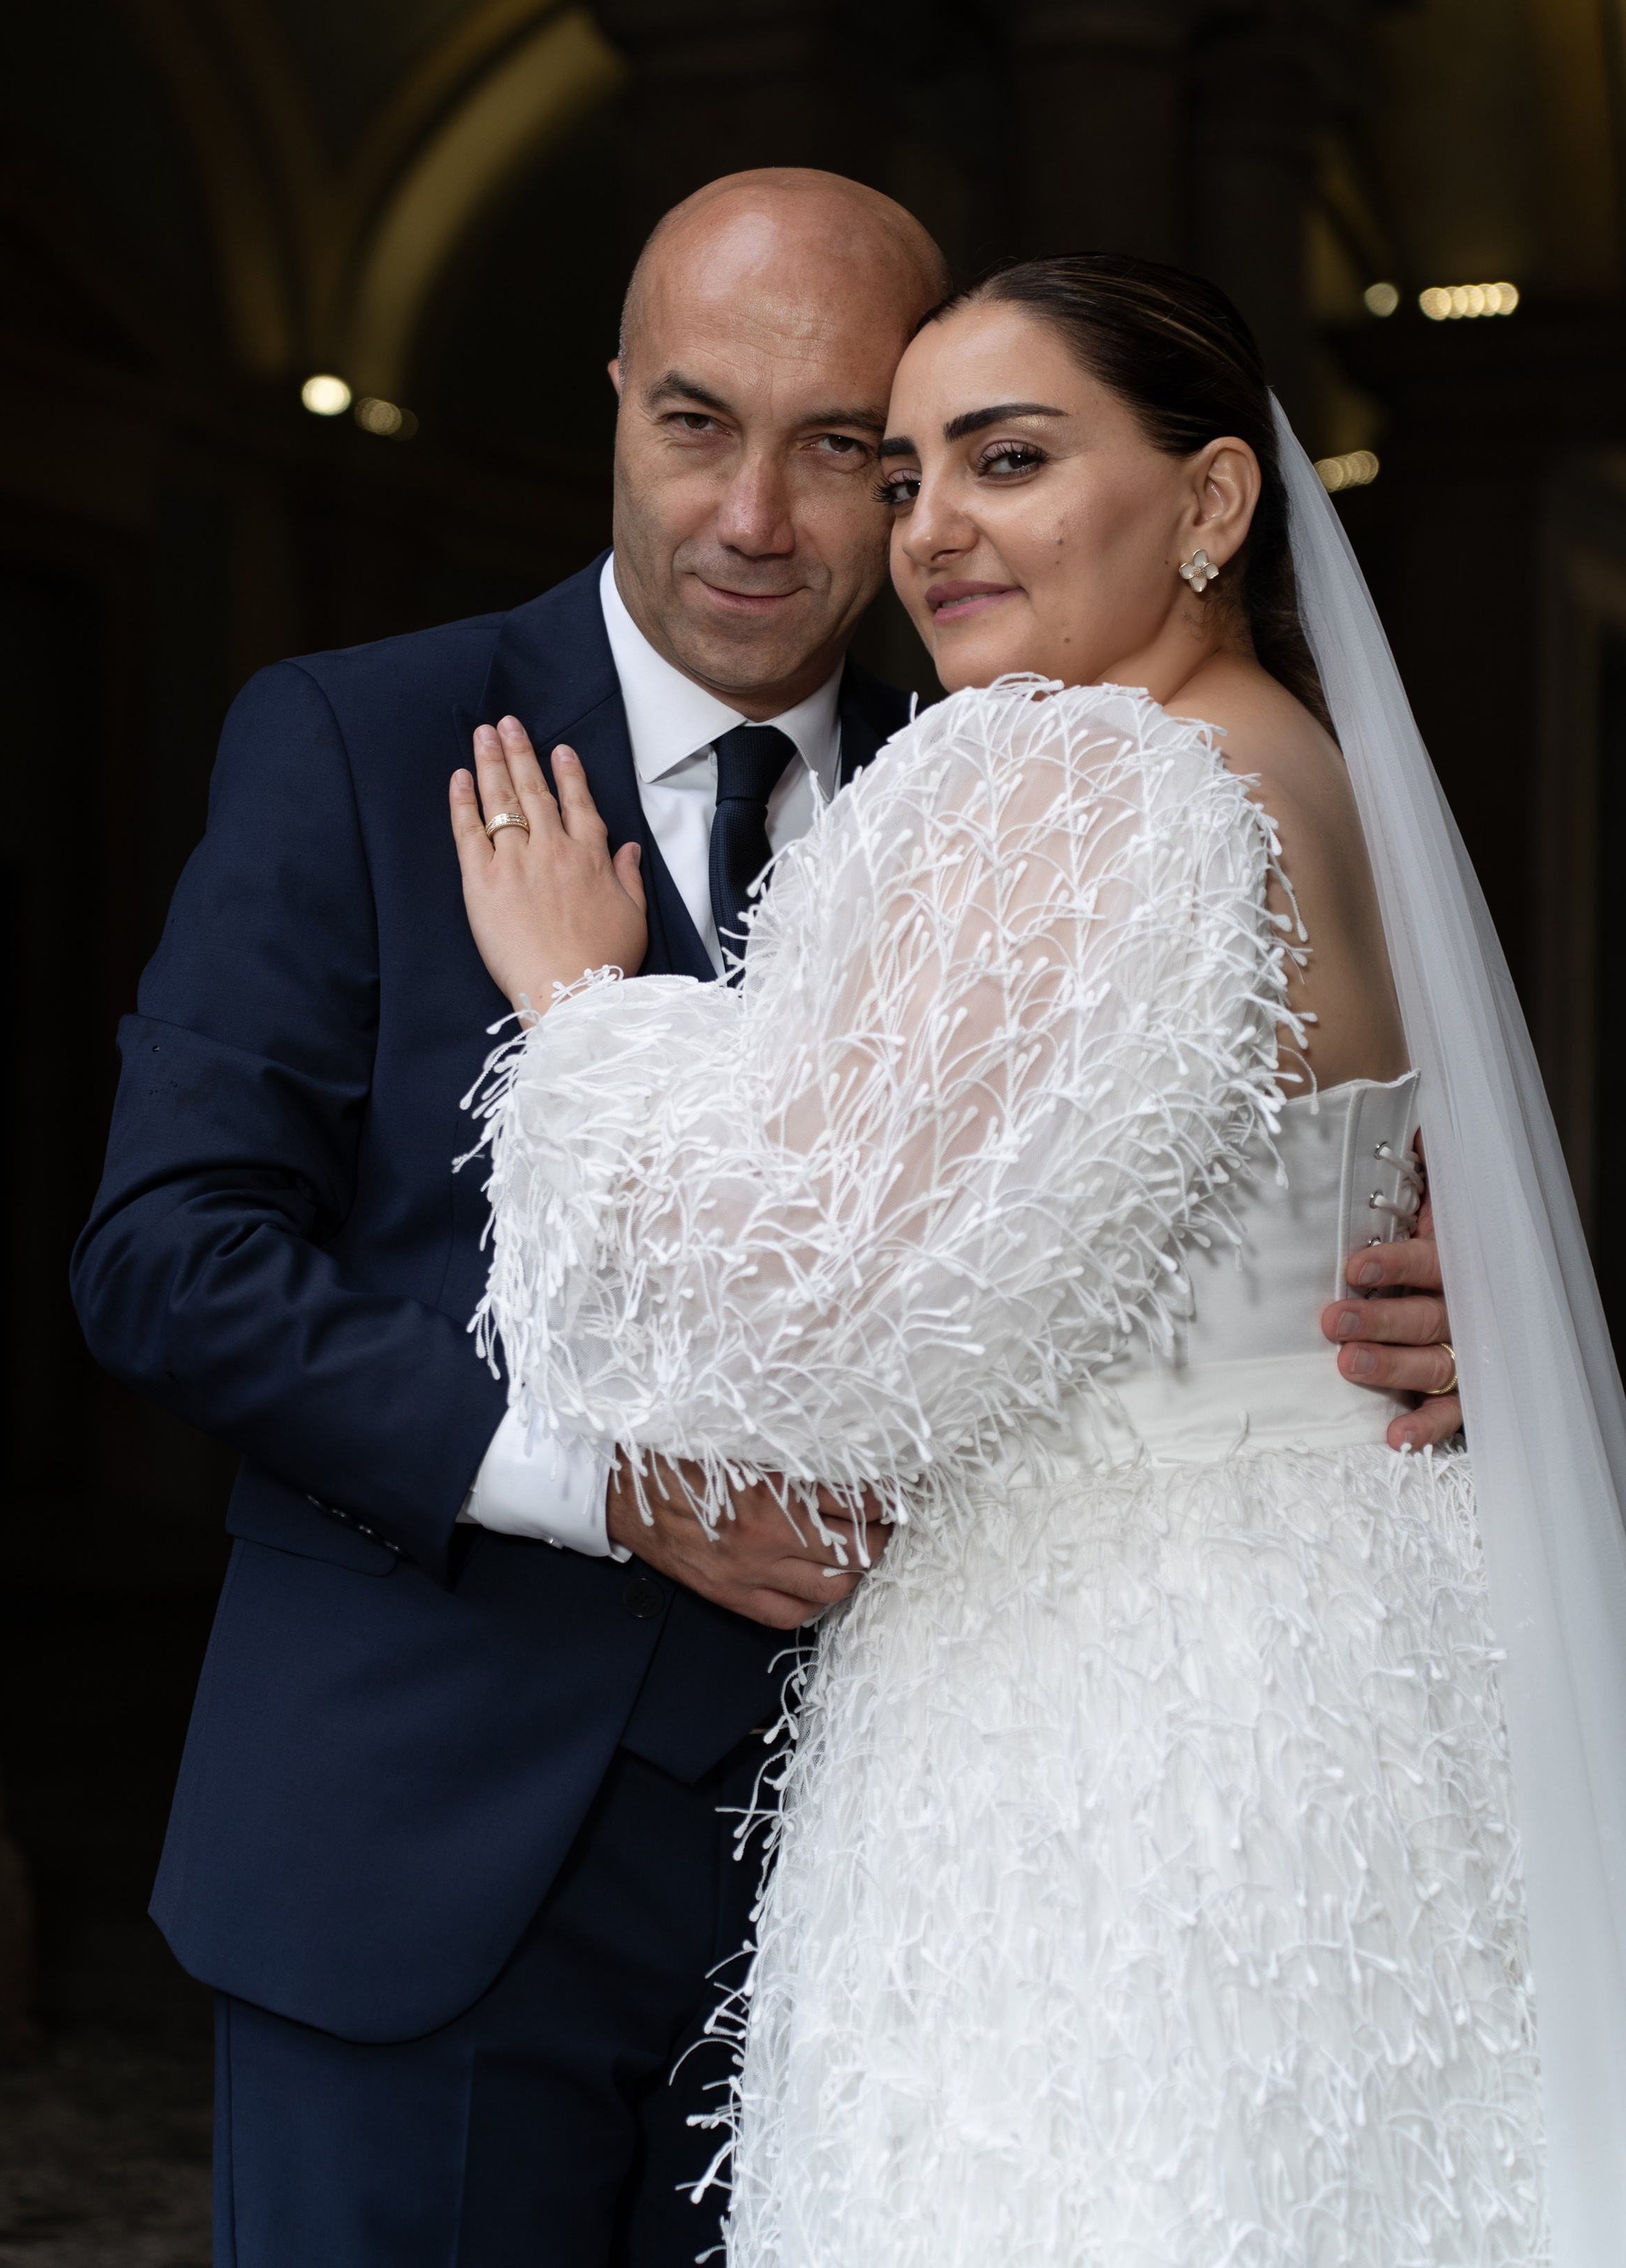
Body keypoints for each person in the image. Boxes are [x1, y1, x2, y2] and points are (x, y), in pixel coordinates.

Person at [72, 181, 1458, 2267]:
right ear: (615, 404)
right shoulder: (364, 737)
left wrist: (1457, 1310)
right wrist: (597, 1484)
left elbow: (1231, 1186)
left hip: (931, 1868)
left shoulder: (1038, 748)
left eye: (851, 452)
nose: (768, 516)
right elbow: (169, 1257)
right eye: (698, 425)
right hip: (428, 1858)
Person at [454, 255, 1626, 2264]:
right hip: (1359, 1658)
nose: (932, 533)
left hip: (1108, 1713)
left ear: (1214, 504)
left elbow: (806, 1316)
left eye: (1008, 459)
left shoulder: (1085, 773)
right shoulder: (1296, 766)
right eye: (906, 477)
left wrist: (579, 1012)